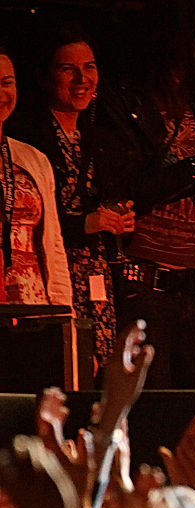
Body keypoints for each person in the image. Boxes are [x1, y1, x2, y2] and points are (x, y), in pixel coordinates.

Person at [97, 0, 195, 389]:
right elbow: (128, 189)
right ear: (184, 31)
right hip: (144, 283)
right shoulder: (127, 99)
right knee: (153, 409)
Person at [12, 24, 135, 378]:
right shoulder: (27, 142)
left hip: (98, 278)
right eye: (68, 68)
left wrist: (122, 219)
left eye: (90, 67)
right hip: (51, 278)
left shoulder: (100, 139)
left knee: (102, 377)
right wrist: (85, 222)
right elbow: (33, 219)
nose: (82, 78)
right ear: (43, 76)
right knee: (66, 373)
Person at [0, 46, 71, 310]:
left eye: (7, 83)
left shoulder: (33, 159)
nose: (1, 93)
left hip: (33, 306)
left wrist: (65, 312)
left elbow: (54, 245)